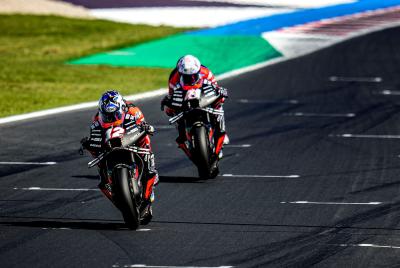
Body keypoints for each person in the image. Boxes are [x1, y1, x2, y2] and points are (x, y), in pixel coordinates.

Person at [81, 90, 158, 221]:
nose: (111, 118)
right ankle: (108, 180)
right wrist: (88, 144)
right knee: (98, 162)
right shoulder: (96, 121)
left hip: (131, 140)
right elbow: (94, 139)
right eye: (107, 116)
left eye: (115, 114)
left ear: (121, 109)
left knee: (145, 144)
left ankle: (149, 178)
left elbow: (144, 126)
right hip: (110, 147)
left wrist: (146, 128)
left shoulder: (133, 111)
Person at [161, 55, 229, 158]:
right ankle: (182, 134)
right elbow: (171, 96)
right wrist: (168, 103)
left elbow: (216, 88)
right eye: (187, 77)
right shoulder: (174, 78)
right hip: (184, 98)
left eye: (194, 75)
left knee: (219, 101)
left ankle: (221, 130)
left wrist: (220, 93)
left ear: (198, 71)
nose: (192, 79)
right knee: (169, 110)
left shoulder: (206, 72)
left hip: (203, 95)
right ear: (180, 74)